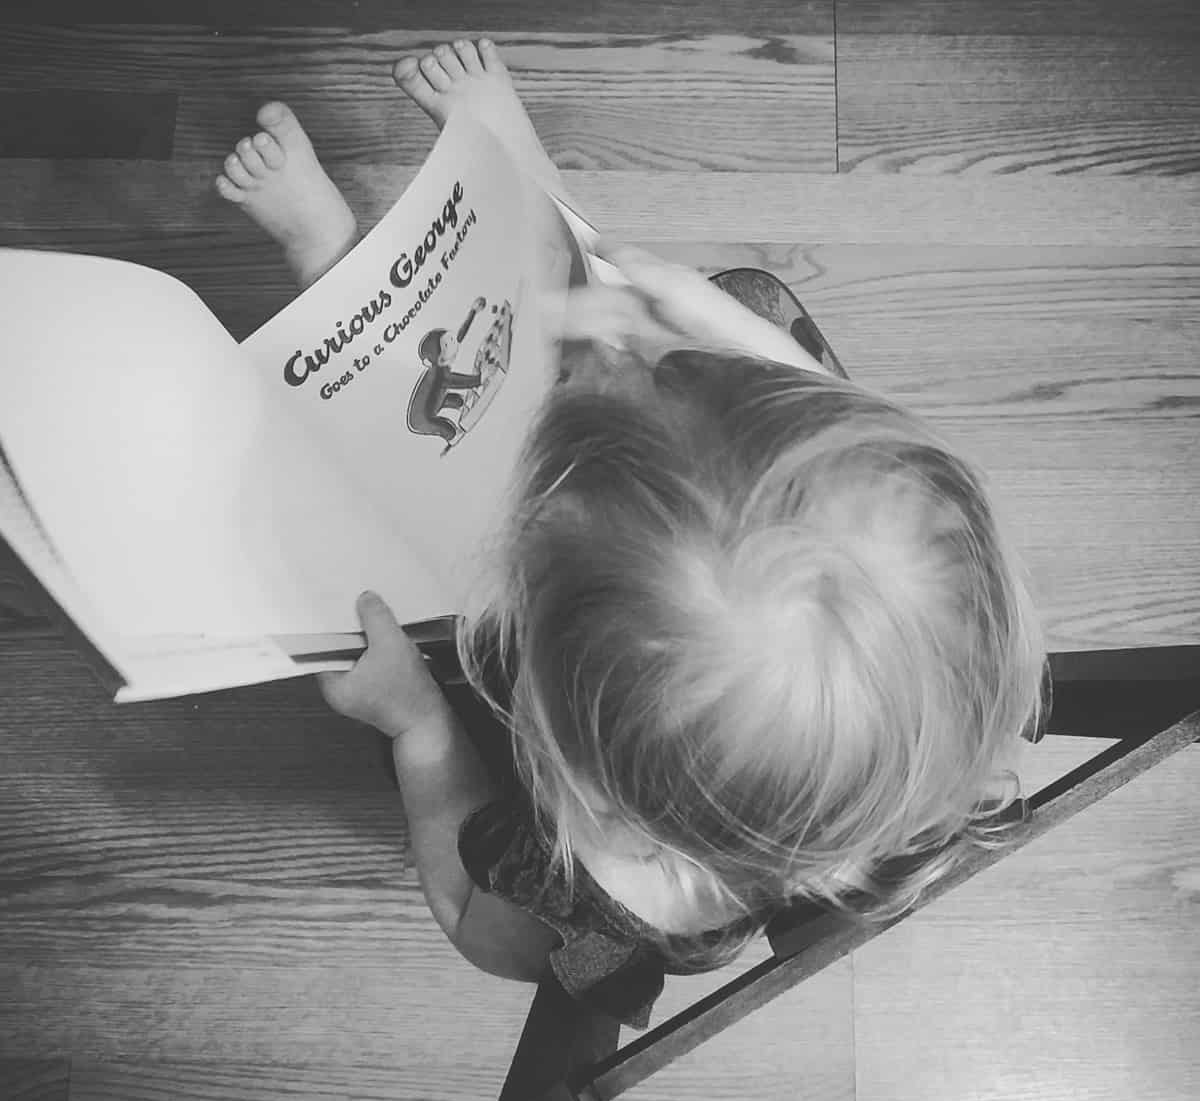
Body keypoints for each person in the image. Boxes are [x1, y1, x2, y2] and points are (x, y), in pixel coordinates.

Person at [215, 38, 1048, 1029]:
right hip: (684, 592)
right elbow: (882, 461)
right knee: (632, 321)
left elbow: (474, 919)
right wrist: (736, 341)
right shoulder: (961, 670)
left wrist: (420, 727)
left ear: (592, 785)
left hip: (539, 684)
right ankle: (536, 203)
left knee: (398, 511)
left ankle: (334, 275)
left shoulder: (599, 906)